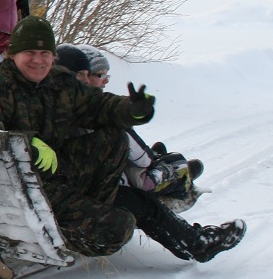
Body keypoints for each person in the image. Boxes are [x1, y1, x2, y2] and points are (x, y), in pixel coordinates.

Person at [0, 17, 245, 263]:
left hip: (57, 176)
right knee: (119, 224)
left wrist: (131, 110)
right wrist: (25, 143)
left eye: (44, 52)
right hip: (22, 190)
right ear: (12, 54)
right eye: (29, 52)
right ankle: (73, 229)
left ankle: (195, 242)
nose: (38, 60)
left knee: (112, 139)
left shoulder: (58, 82)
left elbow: (97, 107)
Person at [61, 43, 205, 199]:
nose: (106, 81)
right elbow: (143, 160)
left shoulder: (65, 103)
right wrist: (152, 161)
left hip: (93, 176)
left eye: (107, 76)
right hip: (112, 183)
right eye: (100, 75)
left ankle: (164, 164)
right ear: (83, 75)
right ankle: (178, 176)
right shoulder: (93, 109)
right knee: (171, 163)